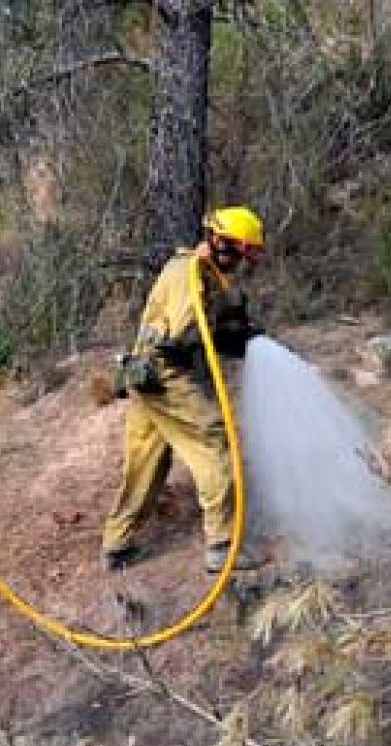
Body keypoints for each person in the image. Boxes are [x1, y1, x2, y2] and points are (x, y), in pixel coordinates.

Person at [101, 205, 266, 574]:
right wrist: (226, 336)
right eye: (241, 253)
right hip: (165, 374)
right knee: (213, 441)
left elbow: (216, 322)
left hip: (146, 375)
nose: (242, 263)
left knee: (147, 459)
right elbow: (184, 336)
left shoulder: (208, 275)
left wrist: (242, 331)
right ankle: (223, 546)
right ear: (223, 244)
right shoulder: (189, 274)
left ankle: (117, 543)